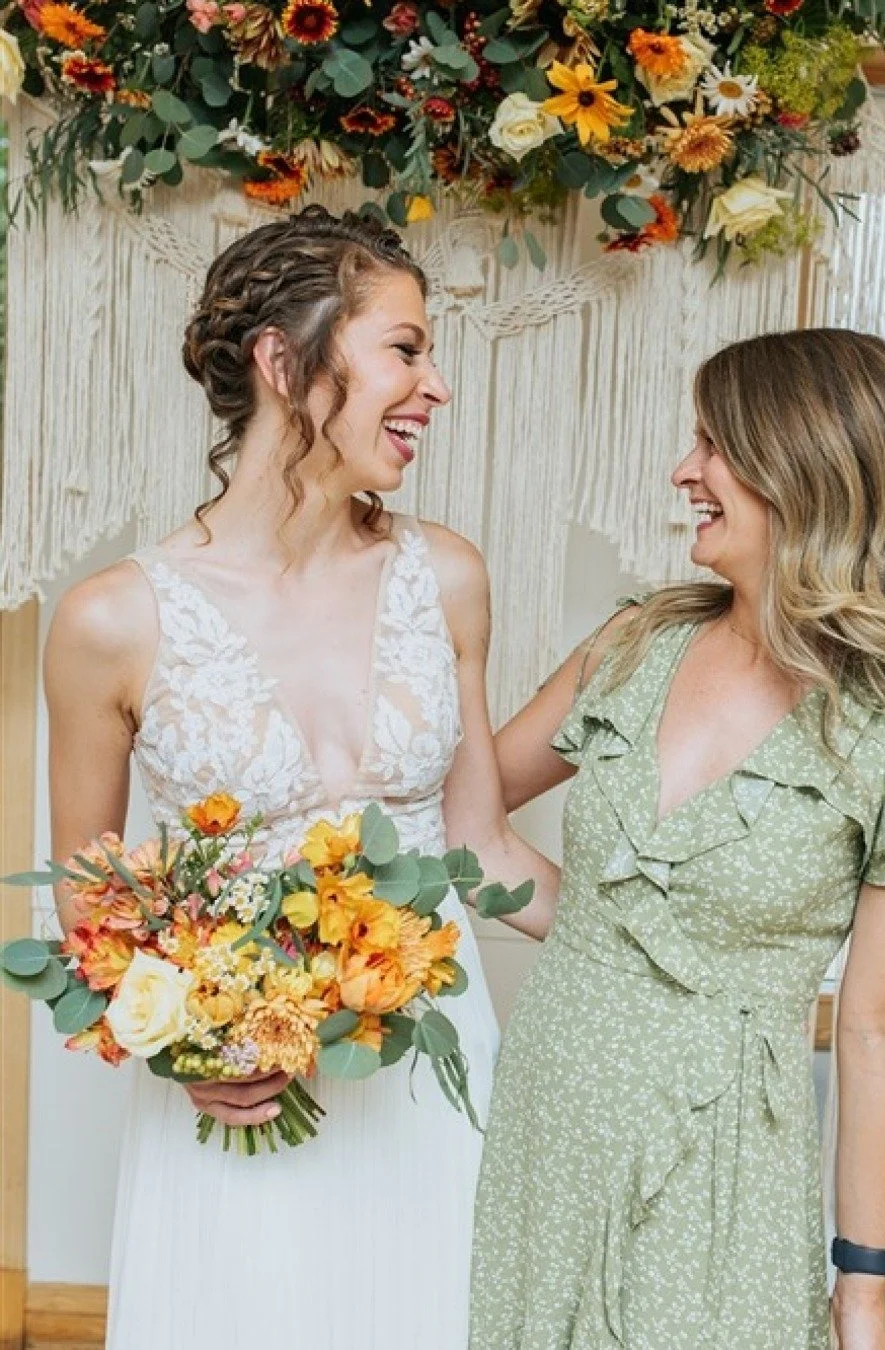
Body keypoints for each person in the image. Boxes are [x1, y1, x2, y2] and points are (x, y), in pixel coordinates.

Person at [44, 205, 556, 1350]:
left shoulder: (449, 575)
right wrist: (188, 1048)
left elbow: (481, 850)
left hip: (432, 1073)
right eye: (406, 347)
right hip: (237, 1106)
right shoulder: (112, 619)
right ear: (283, 362)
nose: (437, 385)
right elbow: (89, 898)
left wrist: (672, 964)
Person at [470, 328, 885, 1350]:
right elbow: (470, 830)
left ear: (806, 469)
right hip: (542, 1128)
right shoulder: (633, 644)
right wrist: (441, 629)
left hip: (726, 1170)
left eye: (715, 444)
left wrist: (861, 1298)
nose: (684, 471)